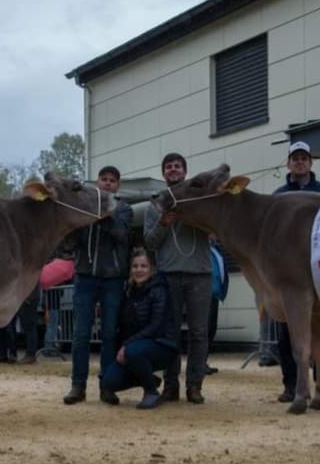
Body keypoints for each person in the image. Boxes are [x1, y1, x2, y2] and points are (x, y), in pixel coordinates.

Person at [143, 152, 214, 404]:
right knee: (169, 333)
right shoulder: (154, 203)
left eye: (177, 166)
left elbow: (216, 229)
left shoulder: (201, 197)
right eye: (169, 167)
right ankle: (170, 385)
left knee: (198, 332)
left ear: (185, 171)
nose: (173, 170)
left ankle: (195, 385)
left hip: (200, 274)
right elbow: (149, 242)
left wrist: (195, 215)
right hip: (168, 274)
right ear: (163, 173)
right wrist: (163, 222)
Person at [272, 141, 320, 402]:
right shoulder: (278, 196)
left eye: (304, 158)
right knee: (287, 333)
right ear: (288, 163)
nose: (299, 162)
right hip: (290, 271)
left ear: (311, 162)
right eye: (295, 158)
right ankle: (291, 385)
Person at [63, 165, 133, 405]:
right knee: (80, 334)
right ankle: (77, 386)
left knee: (109, 334)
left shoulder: (124, 208)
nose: (107, 183)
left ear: (118, 185)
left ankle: (107, 386)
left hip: (113, 278)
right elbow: (71, 242)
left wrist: (105, 215)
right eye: (103, 180)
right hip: (85, 276)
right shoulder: (85, 208)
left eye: (112, 180)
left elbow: (122, 235)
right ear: (96, 183)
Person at [100, 248, 179, 409]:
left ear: (151, 268)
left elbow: (156, 327)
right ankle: (148, 378)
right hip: (136, 347)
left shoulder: (160, 289)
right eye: (135, 266)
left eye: (144, 266)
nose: (139, 270)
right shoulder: (127, 291)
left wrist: (127, 345)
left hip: (162, 345)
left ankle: (151, 392)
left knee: (133, 351)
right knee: (108, 382)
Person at [204, 236, 229, 375]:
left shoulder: (216, 249)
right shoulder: (201, 249)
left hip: (214, 295)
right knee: (204, 330)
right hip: (204, 294)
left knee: (211, 329)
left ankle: (203, 361)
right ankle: (199, 363)